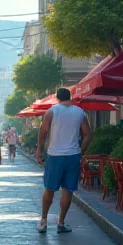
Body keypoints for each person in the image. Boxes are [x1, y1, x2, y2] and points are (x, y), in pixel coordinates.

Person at [35, 87, 92, 234]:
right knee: (68, 190)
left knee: (49, 188)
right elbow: (87, 135)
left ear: (57, 98)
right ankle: (61, 222)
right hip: (73, 155)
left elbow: (43, 131)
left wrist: (39, 150)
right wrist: (80, 151)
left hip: (55, 155)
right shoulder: (79, 112)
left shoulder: (52, 111)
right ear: (70, 97)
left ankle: (43, 221)